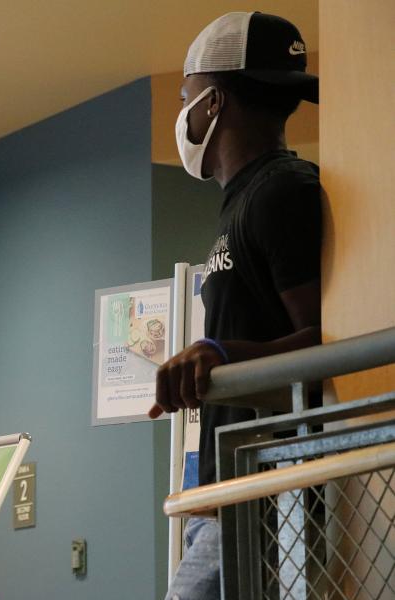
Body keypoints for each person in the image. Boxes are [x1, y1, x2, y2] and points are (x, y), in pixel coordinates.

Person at [147, 12, 321, 598]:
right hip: (223, 495)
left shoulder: (283, 191)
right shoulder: (242, 200)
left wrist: (217, 354)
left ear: (213, 103)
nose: (184, 112)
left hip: (268, 495)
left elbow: (325, 337)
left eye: (186, 96)